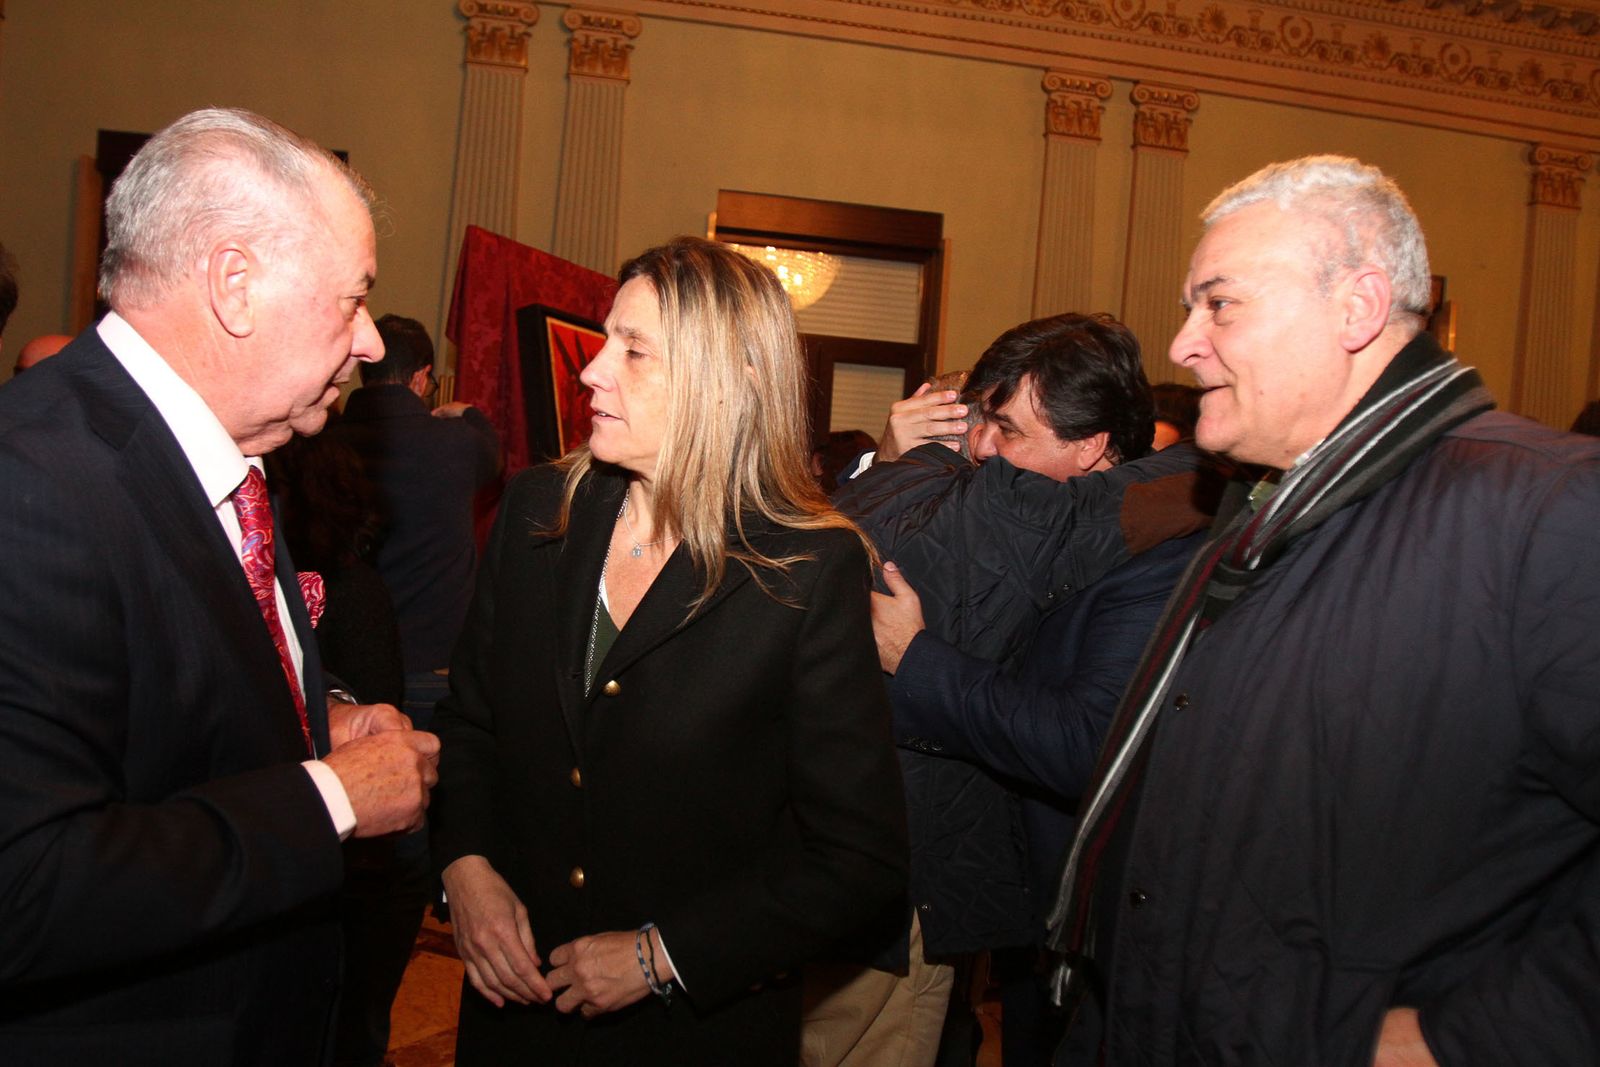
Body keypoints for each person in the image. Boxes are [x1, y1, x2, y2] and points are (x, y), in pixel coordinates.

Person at [1047, 155, 1600, 1065]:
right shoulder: (1271, 505)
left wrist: (1456, 1039)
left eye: (1219, 304)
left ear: (1357, 307)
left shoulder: (1550, 510)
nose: (1184, 344)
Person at [0, 107, 439, 1065]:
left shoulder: (226, 457)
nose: (369, 342)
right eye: (352, 298)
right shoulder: (32, 483)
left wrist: (314, 718)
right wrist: (330, 794)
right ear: (235, 285)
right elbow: (25, 887)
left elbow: (151, 708)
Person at [429, 236, 909, 1065]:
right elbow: (474, 719)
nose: (591, 370)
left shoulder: (806, 569)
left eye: (634, 350)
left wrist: (663, 956)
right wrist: (466, 867)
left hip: (688, 1031)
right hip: (517, 1016)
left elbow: (858, 863)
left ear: (727, 382)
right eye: (604, 337)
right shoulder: (539, 509)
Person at [813, 314, 1215, 1067]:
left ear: (1091, 447)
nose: (981, 451)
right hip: (949, 881)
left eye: (1008, 431)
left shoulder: (1147, 552)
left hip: (1065, 910)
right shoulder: (1001, 502)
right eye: (979, 423)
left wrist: (919, 656)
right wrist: (886, 461)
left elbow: (1081, 743)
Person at [326, 312, 500, 726]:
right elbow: (494, 456)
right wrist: (468, 412)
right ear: (421, 378)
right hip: (430, 666)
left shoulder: (326, 441)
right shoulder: (454, 444)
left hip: (339, 672)